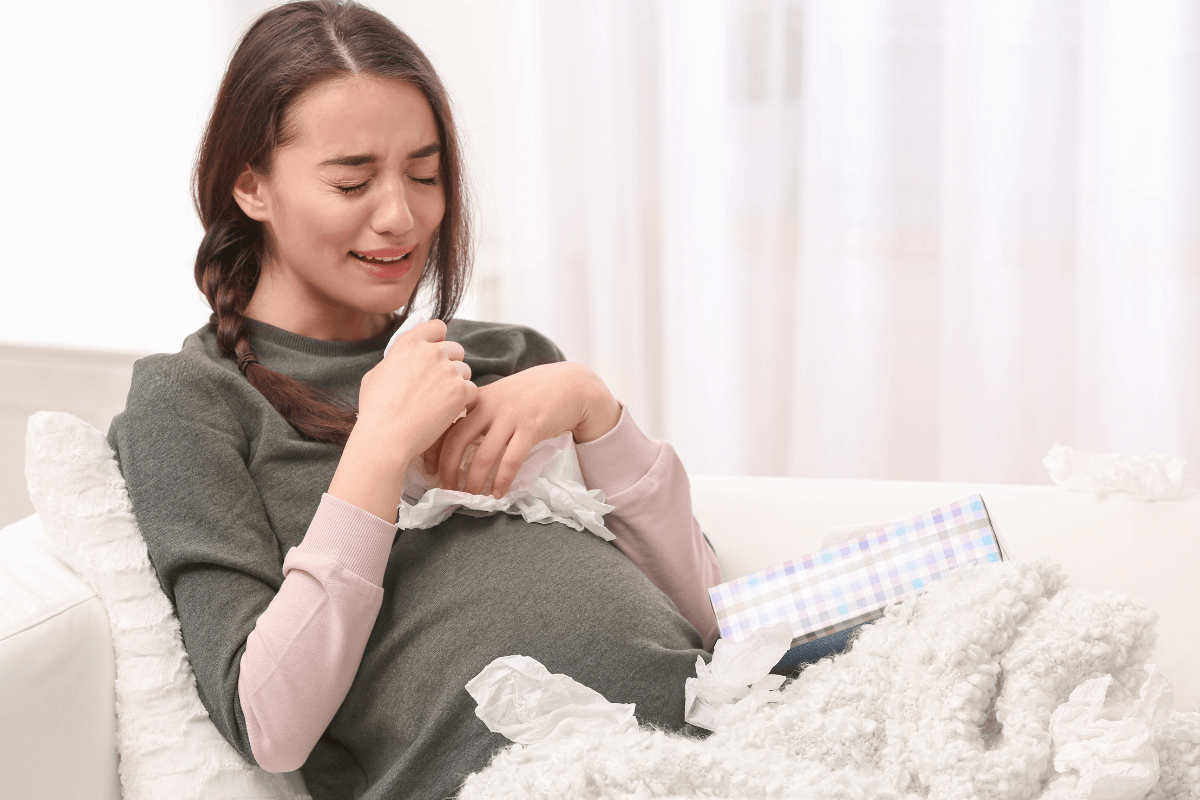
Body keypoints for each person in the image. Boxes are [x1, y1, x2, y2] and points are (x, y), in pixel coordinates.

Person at [107, 1, 722, 798]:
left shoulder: (507, 355)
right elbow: (269, 723)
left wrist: (591, 404)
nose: (401, 215)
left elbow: (711, 620)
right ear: (251, 185)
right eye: (352, 180)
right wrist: (377, 449)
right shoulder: (189, 399)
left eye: (425, 175)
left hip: (719, 741)